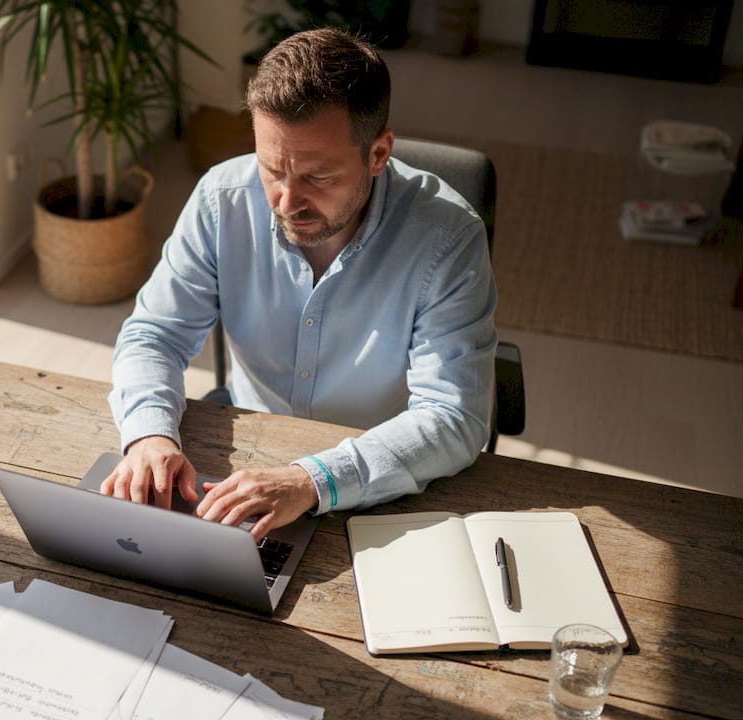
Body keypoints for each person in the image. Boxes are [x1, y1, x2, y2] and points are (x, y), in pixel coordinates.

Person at [103, 27, 497, 538]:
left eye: (317, 177)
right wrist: (149, 435)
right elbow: (154, 334)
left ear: (378, 154)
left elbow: (453, 415)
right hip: (243, 454)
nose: (287, 202)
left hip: (379, 476)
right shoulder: (220, 199)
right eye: (272, 169)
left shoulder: (448, 238)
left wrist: (311, 480)